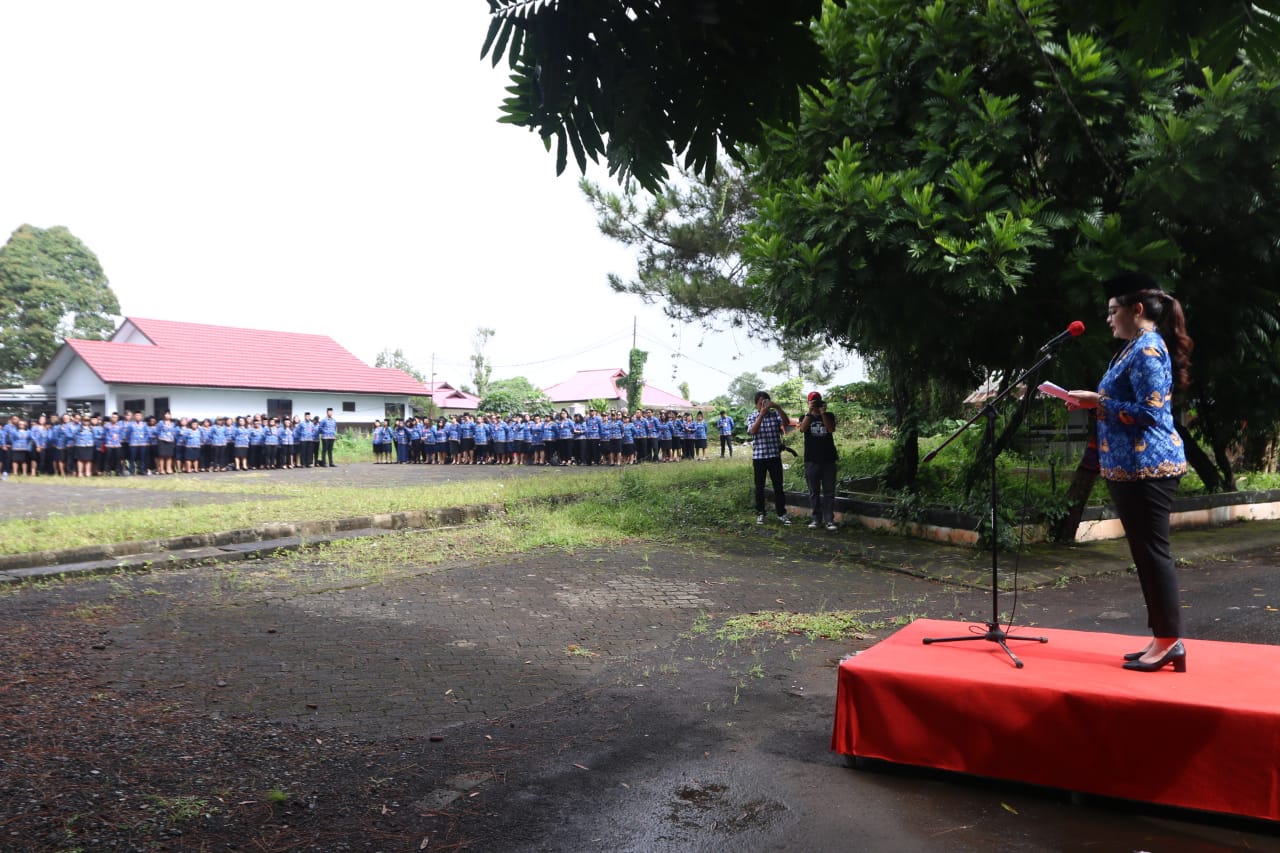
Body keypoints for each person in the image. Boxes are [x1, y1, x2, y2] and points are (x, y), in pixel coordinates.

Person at [1066, 271, 1193, 673]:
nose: (1108, 319)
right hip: (1129, 468)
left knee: (1154, 554)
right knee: (1144, 553)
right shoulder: (1131, 348)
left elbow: (1153, 414)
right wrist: (1097, 401)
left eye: (1113, 311)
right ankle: (1161, 637)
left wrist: (1096, 403)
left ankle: (1170, 641)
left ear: (1136, 310)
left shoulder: (1148, 350)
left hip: (1150, 468)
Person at [746, 390, 792, 525]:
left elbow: (787, 423)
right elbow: (753, 431)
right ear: (756, 404)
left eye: (765, 402)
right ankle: (761, 513)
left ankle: (781, 513)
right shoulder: (752, 416)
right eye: (760, 403)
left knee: (778, 486)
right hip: (759, 457)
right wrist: (761, 415)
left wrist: (777, 407)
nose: (763, 405)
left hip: (774, 456)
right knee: (759, 486)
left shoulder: (775, 415)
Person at [798, 392, 839, 531]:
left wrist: (823, 413)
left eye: (817, 401)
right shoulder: (804, 417)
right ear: (808, 402)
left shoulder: (829, 415)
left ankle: (829, 520)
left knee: (829, 491)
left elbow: (831, 429)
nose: (815, 404)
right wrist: (810, 411)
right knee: (813, 492)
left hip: (828, 459)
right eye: (813, 402)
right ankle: (816, 519)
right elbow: (802, 429)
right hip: (811, 459)